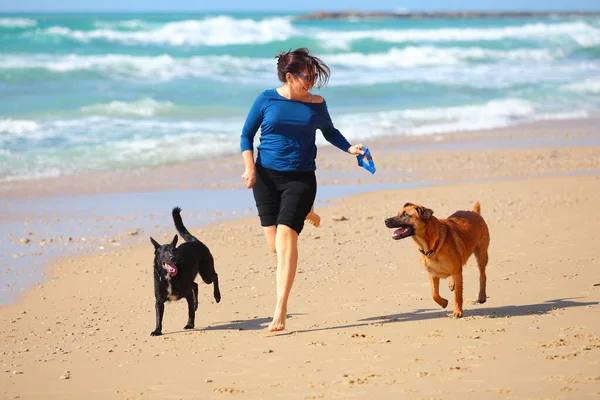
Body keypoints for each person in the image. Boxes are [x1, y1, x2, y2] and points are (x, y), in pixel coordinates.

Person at [240, 48, 365, 332]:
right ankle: (307, 211)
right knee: (276, 247)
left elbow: (329, 131)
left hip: (301, 178)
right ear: (289, 76)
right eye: (306, 77)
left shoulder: (316, 103)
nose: (310, 82)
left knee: (287, 239)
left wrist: (350, 148)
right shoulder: (265, 99)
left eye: (313, 77)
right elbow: (246, 135)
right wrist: (249, 168)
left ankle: (280, 309)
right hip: (266, 179)